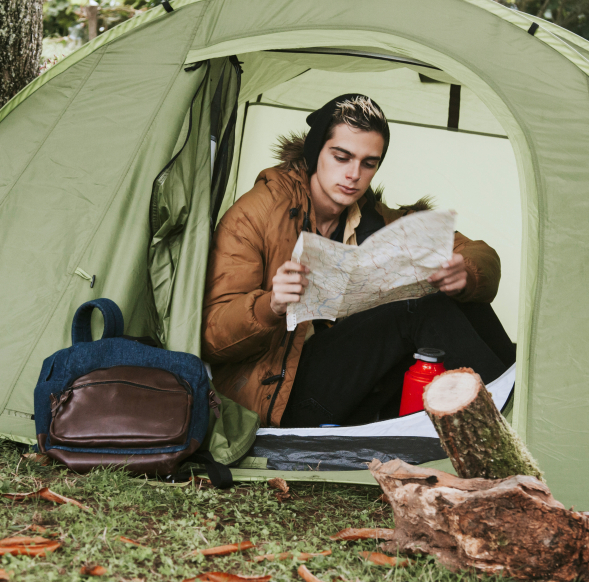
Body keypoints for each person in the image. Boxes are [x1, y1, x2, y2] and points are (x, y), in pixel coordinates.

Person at [202, 94, 515, 427]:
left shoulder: (376, 220)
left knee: (460, 296)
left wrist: (464, 273)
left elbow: (479, 253)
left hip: (359, 386)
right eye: (341, 157)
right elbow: (212, 338)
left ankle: (520, 407)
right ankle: (507, 424)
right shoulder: (255, 215)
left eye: (369, 163)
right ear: (315, 153)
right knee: (418, 309)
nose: (354, 174)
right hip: (280, 396)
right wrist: (272, 304)